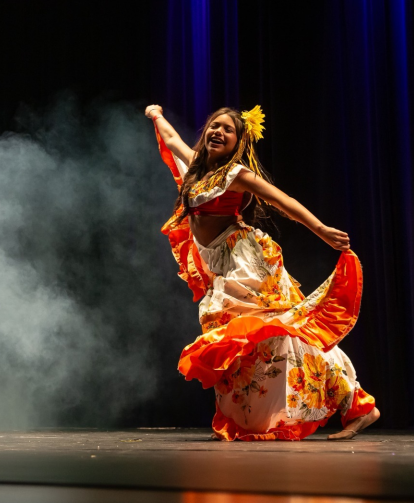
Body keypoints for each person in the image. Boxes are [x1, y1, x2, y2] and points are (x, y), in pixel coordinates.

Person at [146, 104, 379, 441]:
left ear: (238, 142)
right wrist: (156, 115)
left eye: (228, 130)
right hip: (220, 264)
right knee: (256, 340)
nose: (218, 133)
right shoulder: (197, 168)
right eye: (215, 126)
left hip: (247, 261)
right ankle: (350, 404)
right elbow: (170, 138)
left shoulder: (236, 174)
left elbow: (283, 201)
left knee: (272, 332)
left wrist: (322, 229)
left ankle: (357, 404)